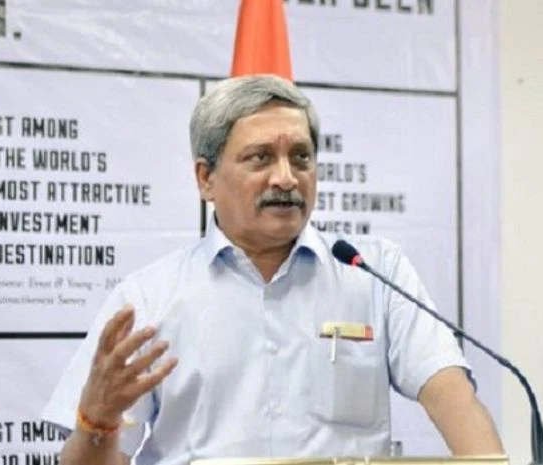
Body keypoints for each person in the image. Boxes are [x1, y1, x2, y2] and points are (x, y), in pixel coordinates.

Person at [41, 74, 504, 465]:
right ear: (206, 178)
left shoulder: (375, 272)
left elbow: (450, 395)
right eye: (260, 158)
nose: (286, 178)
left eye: (300, 157)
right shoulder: (148, 299)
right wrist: (95, 421)